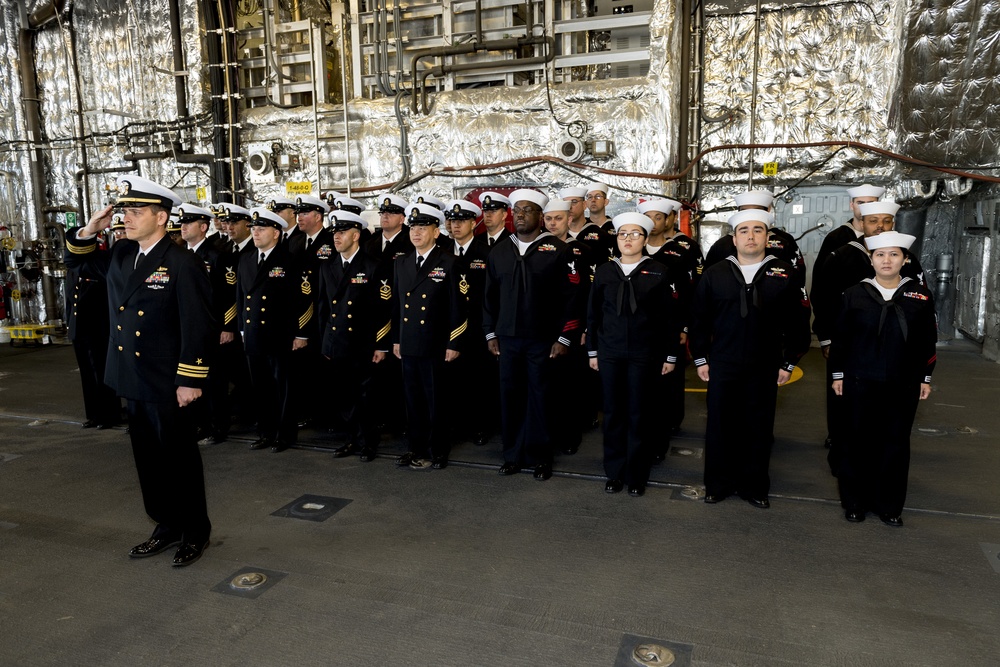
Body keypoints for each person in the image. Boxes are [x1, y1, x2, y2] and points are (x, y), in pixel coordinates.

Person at [64, 175, 214, 567]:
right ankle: (166, 526)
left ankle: (194, 532)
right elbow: (76, 260)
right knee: (148, 459)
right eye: (124, 211)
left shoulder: (183, 261)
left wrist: (190, 379)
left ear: (162, 217)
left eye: (136, 211)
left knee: (179, 459)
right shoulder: (120, 254)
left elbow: (198, 323)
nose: (126, 218)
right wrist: (88, 229)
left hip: (168, 381)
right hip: (131, 375)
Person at [690, 208, 811, 509]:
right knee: (720, 426)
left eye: (758, 230)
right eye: (744, 231)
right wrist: (701, 359)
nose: (751, 236)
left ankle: (754, 486)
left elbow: (799, 320)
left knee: (758, 427)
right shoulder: (716, 273)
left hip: (764, 364)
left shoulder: (784, 272)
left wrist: (790, 361)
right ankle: (718, 484)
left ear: (768, 237)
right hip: (724, 362)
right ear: (734, 238)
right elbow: (699, 319)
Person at [830, 231, 937, 527]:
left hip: (902, 383)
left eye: (893, 254)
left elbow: (928, 340)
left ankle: (889, 505)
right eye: (880, 255)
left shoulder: (920, 295)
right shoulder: (854, 294)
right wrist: (838, 374)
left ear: (904, 259)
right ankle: (855, 503)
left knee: (895, 444)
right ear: (871, 259)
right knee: (857, 442)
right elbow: (841, 339)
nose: (886, 260)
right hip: (859, 379)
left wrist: (925, 377)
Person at [483, 189, 583, 480]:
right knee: (510, 397)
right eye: (517, 211)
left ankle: (541, 457)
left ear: (541, 216)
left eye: (528, 210)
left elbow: (573, 298)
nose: (521, 215)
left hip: (543, 341)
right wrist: (490, 334)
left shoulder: (559, 250)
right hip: (508, 340)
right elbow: (488, 298)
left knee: (542, 399)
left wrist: (564, 338)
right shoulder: (500, 251)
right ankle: (513, 454)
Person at [588, 212, 681, 496]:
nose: (628, 239)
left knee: (640, 414)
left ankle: (637, 474)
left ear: (645, 238)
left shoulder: (659, 271)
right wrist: (593, 350)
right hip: (610, 352)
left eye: (635, 234)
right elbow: (593, 314)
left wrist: (670, 355)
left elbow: (670, 319)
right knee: (614, 413)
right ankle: (615, 472)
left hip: (645, 354)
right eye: (622, 234)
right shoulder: (605, 271)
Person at [391, 203, 467, 470]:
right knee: (413, 401)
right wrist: (397, 339)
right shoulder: (401, 262)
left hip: (435, 343)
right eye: (413, 228)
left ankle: (438, 450)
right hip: (409, 343)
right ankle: (416, 447)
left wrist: (454, 341)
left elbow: (459, 306)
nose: (416, 233)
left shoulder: (449, 262)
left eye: (423, 228)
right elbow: (397, 306)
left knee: (436, 401)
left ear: (436, 232)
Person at [810, 183, 885, 451]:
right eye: (861, 203)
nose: (865, 208)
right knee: (839, 383)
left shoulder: (889, 241)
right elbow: (821, 288)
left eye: (872, 202)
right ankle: (837, 433)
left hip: (877, 334)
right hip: (844, 332)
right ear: (852, 206)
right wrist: (826, 335)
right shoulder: (837, 240)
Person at [317, 209, 391, 462]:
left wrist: (381, 345)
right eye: (334, 233)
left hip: (363, 342)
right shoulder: (328, 266)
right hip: (337, 342)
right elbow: (323, 308)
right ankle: (351, 439)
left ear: (356, 235)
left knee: (365, 397)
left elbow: (384, 309)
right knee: (343, 395)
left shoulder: (372, 266)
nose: (336, 237)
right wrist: (325, 342)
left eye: (341, 232)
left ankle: (368, 442)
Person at [238, 206, 312, 453]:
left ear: (277, 233)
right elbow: (241, 298)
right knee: (261, 388)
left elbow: (303, 299)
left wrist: (301, 333)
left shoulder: (290, 260)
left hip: (280, 335)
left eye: (261, 229)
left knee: (283, 388)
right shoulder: (246, 259)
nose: (256, 233)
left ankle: (285, 435)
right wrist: (241, 329)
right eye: (254, 229)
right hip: (253, 335)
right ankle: (266, 432)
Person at [542, 198, 595, 455]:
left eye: (558, 218)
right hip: (542, 329)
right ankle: (547, 435)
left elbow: (588, 293)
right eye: (549, 219)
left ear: (569, 219)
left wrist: (584, 328)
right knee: (545, 386)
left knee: (570, 386)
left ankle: (570, 436)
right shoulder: (538, 249)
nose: (553, 223)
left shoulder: (581, 250)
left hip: (572, 327)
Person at [179, 205, 233, 446]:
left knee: (214, 382)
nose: (183, 227)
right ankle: (197, 424)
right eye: (182, 223)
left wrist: (227, 327)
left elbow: (229, 295)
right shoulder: (180, 256)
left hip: (213, 329)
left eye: (188, 223)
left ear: (203, 227)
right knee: (192, 378)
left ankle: (217, 427)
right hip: (189, 330)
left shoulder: (217, 256)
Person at [443, 198, 495, 445]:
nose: (455, 226)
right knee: (451, 381)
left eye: (461, 220)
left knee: (479, 380)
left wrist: (490, 331)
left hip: (476, 326)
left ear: (474, 223)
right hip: (448, 327)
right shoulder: (441, 251)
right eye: (452, 220)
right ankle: (455, 425)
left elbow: (493, 295)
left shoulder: (486, 253)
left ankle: (481, 426)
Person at [65, 221, 119, 430]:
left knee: (102, 371)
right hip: (79, 328)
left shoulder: (99, 264)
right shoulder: (73, 268)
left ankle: (109, 414)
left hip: (99, 327)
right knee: (87, 374)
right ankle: (94, 414)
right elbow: (71, 298)